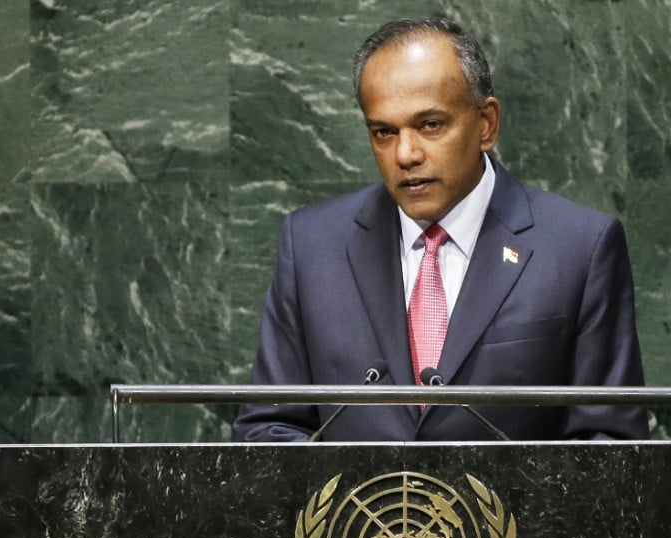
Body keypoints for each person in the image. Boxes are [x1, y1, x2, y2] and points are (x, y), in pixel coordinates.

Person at [232, 16, 649, 442]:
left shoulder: (579, 247)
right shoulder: (311, 245)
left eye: (430, 125)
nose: (406, 154)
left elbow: (610, 444)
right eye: (383, 132)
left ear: (486, 123)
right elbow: (268, 428)